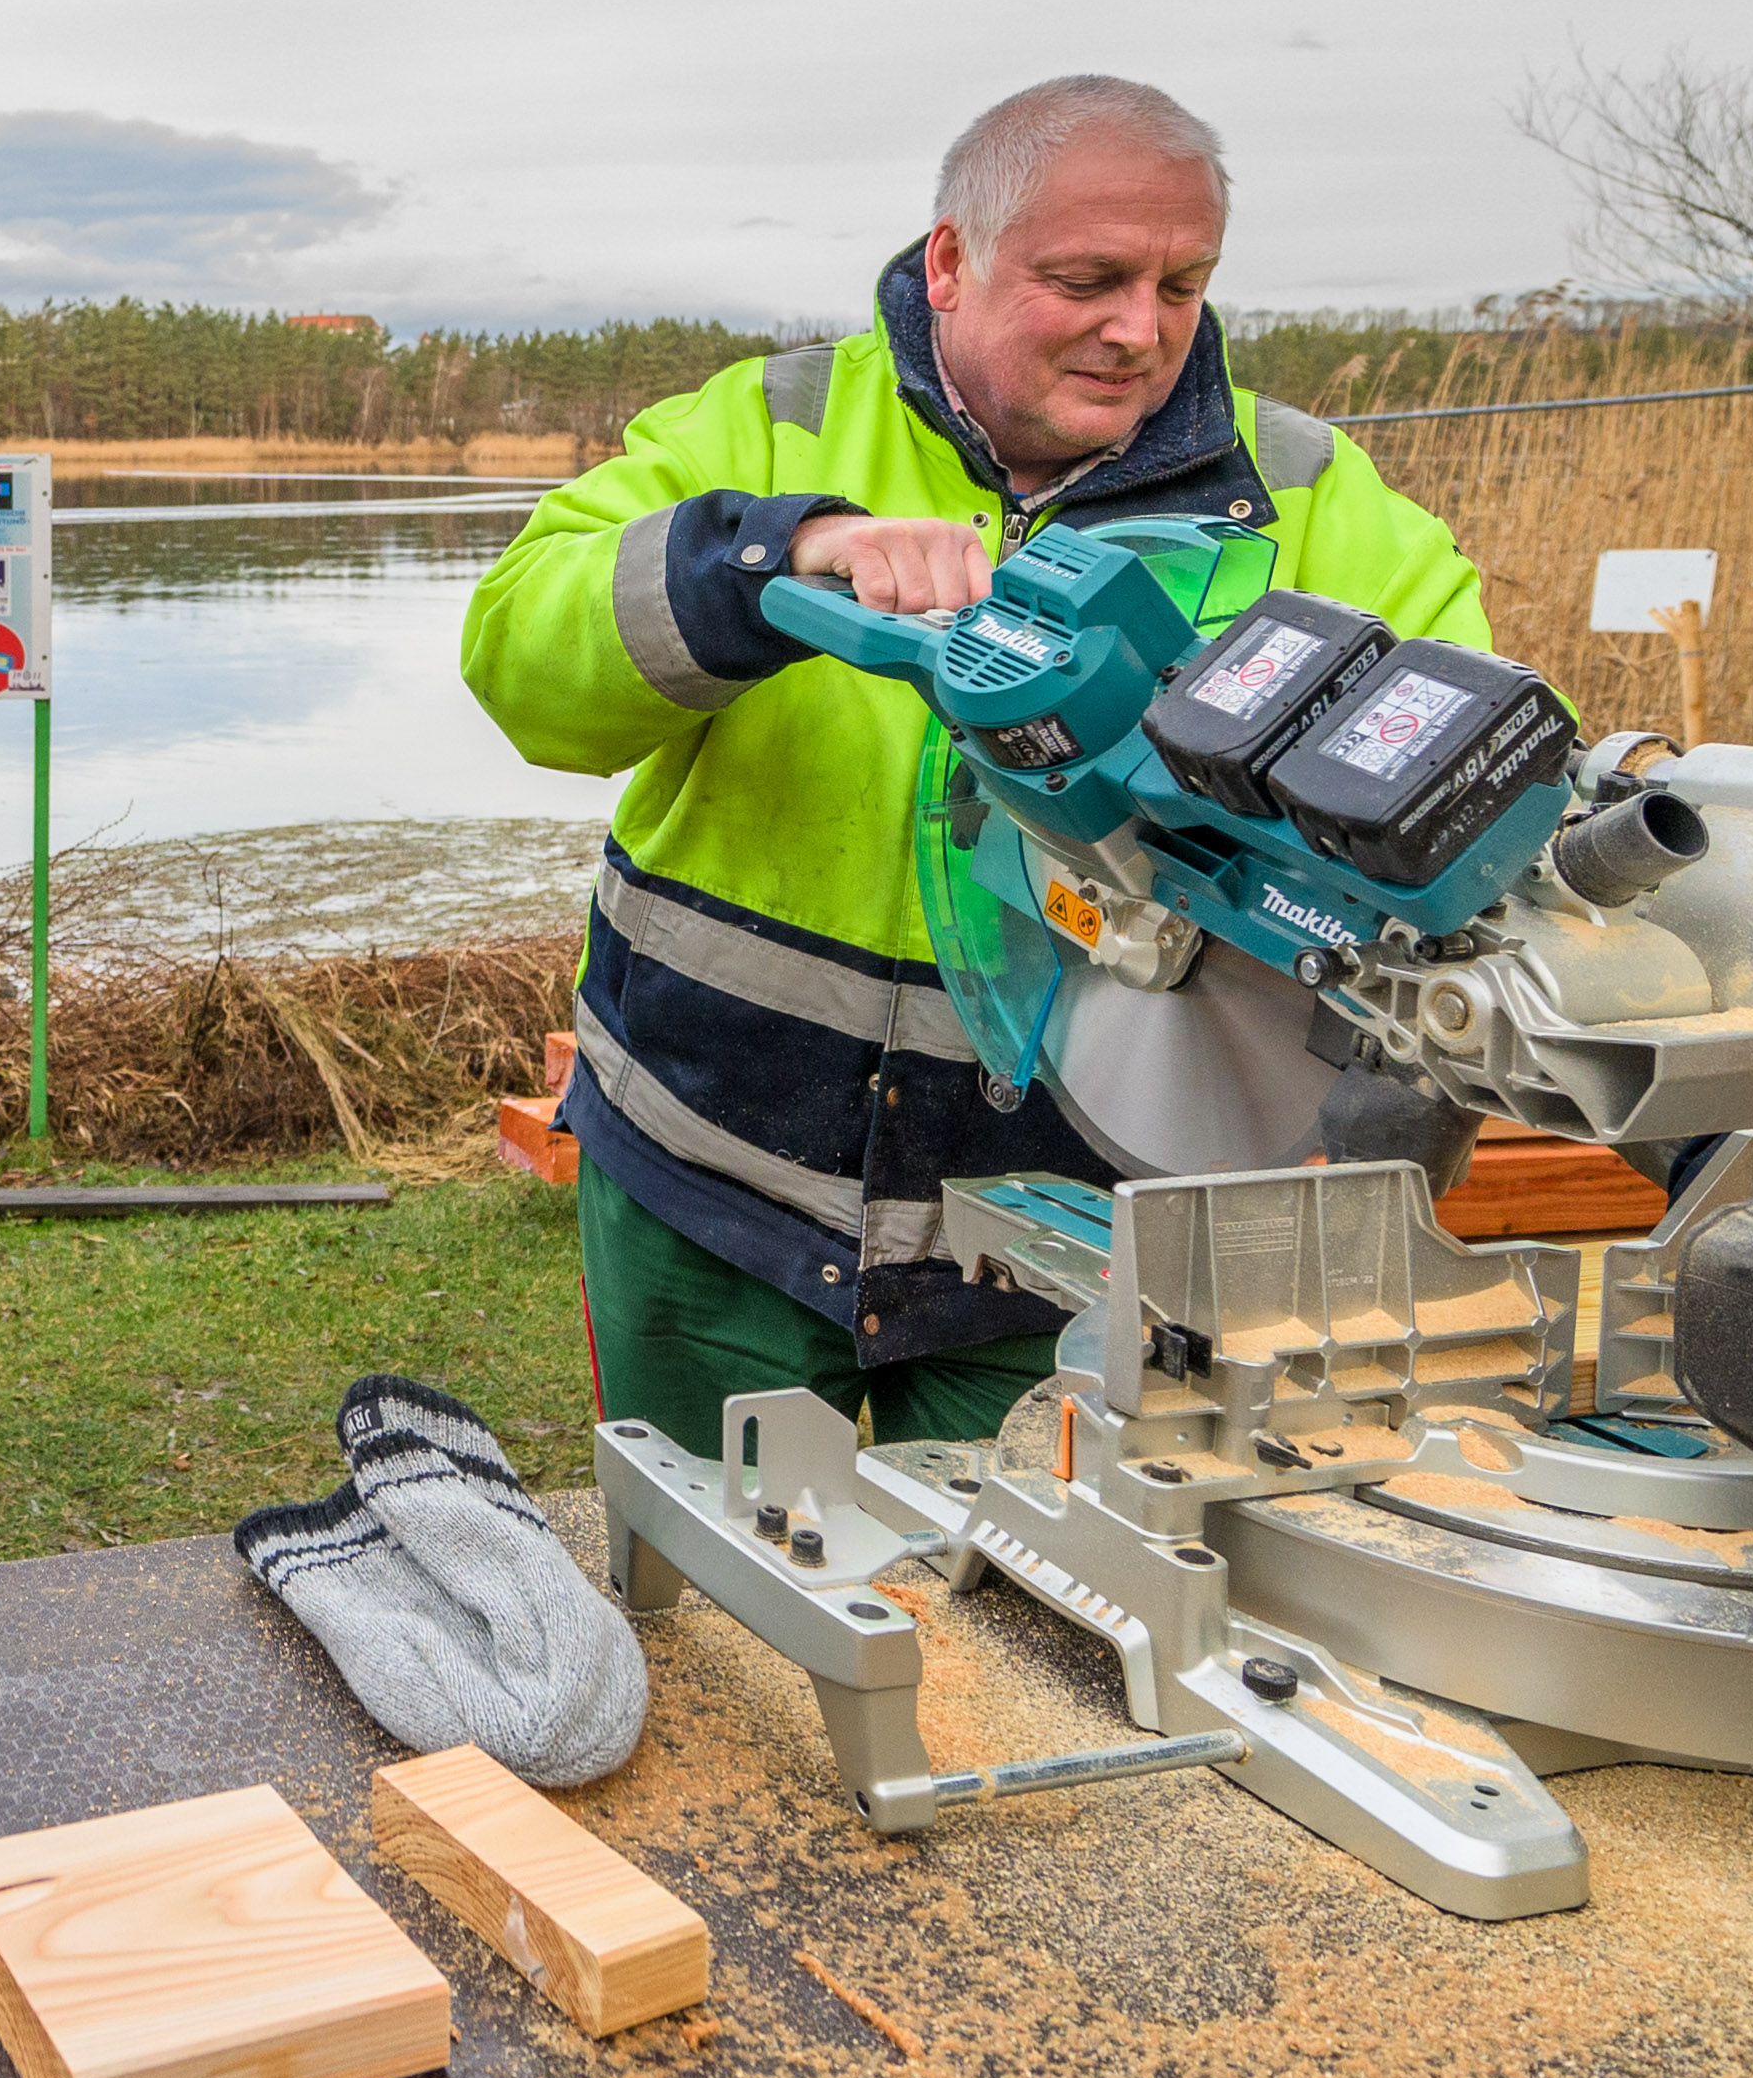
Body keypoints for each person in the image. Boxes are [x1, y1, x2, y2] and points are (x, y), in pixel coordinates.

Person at [459, 73, 1492, 1458]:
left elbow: (1471, 827)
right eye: (1089, 279)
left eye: (1184, 284)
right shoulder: (768, 426)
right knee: (702, 1617)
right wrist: (774, 556)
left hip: (1080, 1254)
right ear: (952, 260)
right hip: (714, 1188)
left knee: (1030, 1646)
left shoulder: (1313, 500)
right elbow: (524, 666)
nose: (1143, 331)